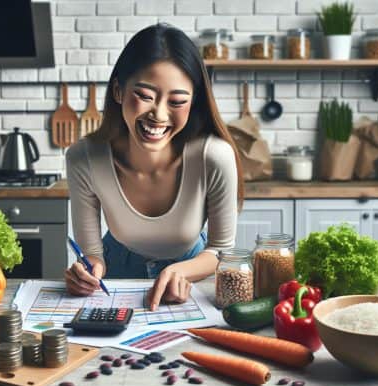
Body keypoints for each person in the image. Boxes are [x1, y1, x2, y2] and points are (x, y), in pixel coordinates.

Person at [65, 23, 244, 311]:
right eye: (145, 96)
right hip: (116, 278)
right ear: (118, 91)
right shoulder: (82, 158)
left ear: (193, 103)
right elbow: (93, 254)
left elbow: (221, 250)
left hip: (193, 277)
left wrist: (180, 271)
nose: (159, 115)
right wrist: (87, 272)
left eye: (176, 101)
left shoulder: (215, 156)